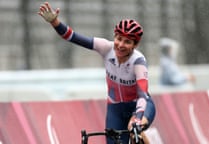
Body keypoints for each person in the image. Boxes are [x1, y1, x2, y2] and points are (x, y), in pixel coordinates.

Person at [38, 2, 156, 144]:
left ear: (135, 45)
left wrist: (137, 118)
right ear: (114, 36)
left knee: (134, 130)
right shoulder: (106, 47)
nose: (120, 45)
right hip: (115, 108)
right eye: (118, 39)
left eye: (127, 42)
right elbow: (72, 37)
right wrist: (55, 22)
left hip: (140, 105)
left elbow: (142, 94)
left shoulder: (138, 61)